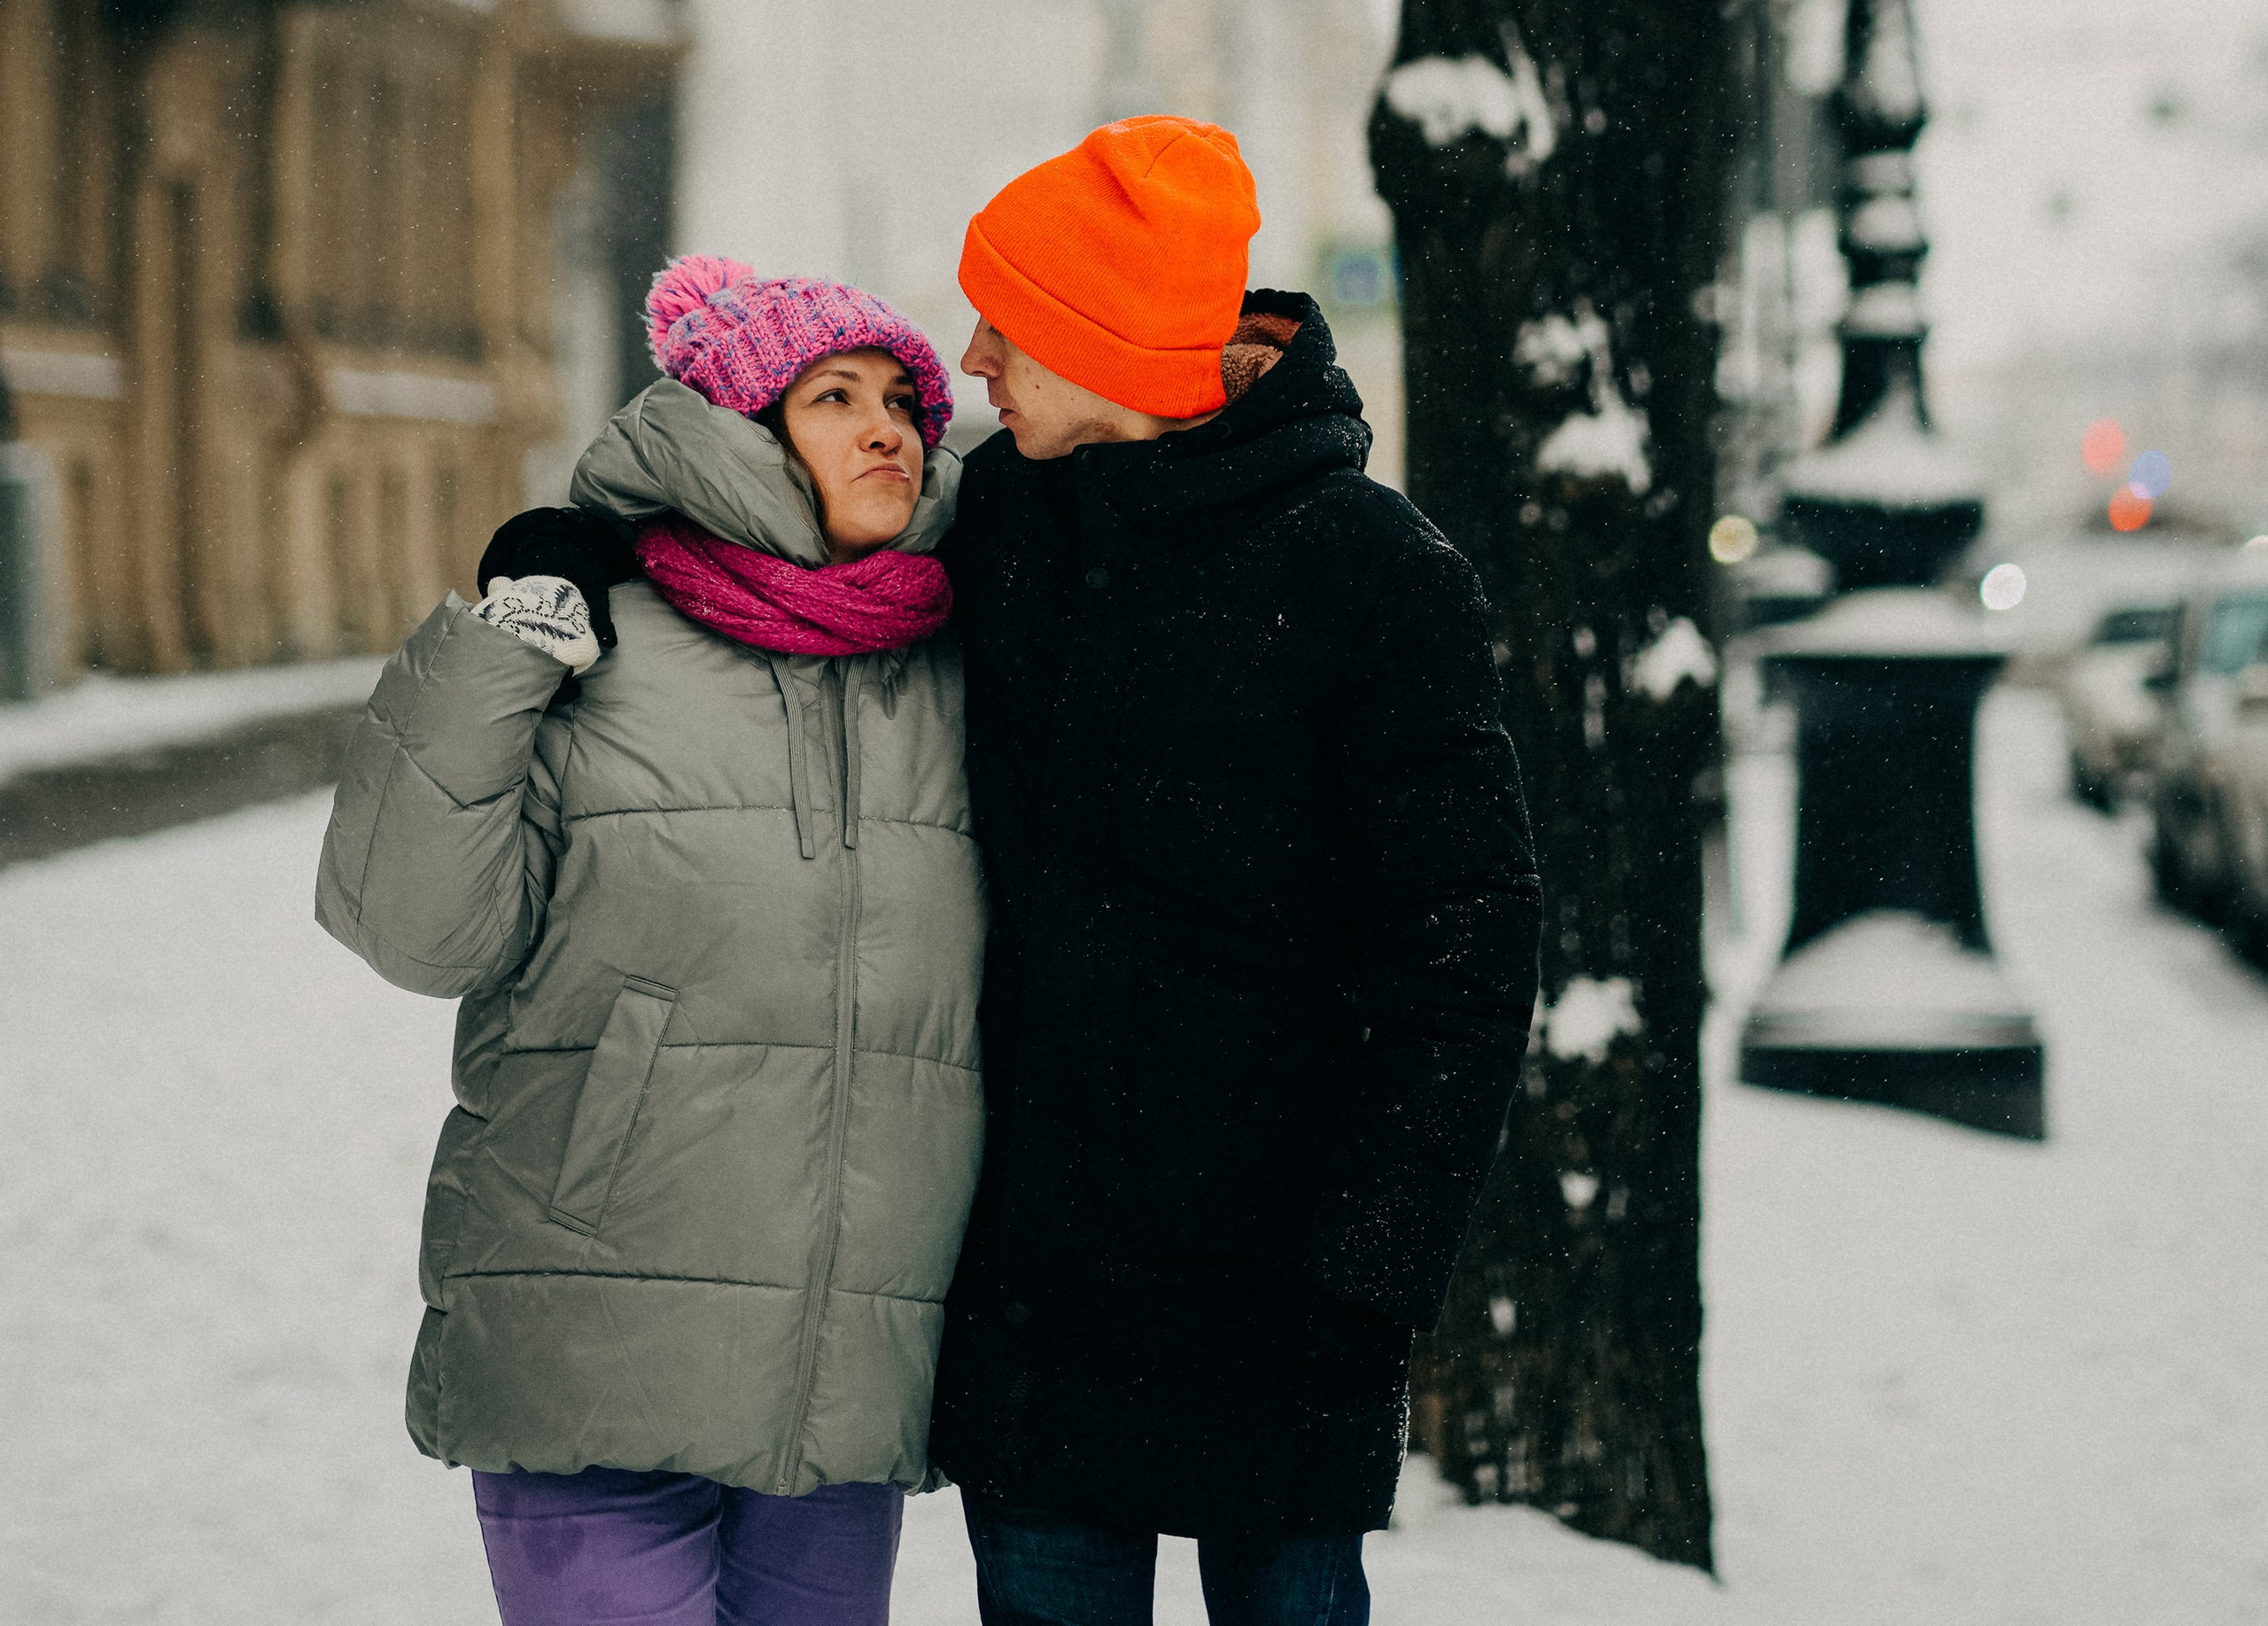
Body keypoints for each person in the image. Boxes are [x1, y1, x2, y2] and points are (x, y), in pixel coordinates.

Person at [928, 115, 1542, 1626]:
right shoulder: (1000, 523)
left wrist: (1369, 1276)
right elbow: (773, 545)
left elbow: (1465, 944)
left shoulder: (1374, 572)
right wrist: (581, 541)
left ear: (1106, 342)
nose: (972, 361)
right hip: (1043, 1295)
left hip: (1283, 1299)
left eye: (1007, 323)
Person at [315, 259, 987, 1626]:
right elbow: (413, 926)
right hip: (594, 1324)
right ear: (739, 430)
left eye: (905, 403)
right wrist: (506, 648)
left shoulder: (962, 659)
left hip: (845, 1359)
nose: (889, 430)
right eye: (833, 397)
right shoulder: (596, 636)